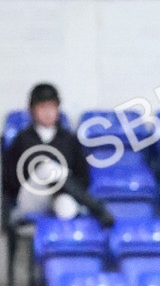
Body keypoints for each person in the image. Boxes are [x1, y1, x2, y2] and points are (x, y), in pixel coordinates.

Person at [2, 83, 115, 227]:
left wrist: (61, 186)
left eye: (51, 107)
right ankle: (97, 207)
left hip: (59, 195)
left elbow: (83, 177)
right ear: (32, 110)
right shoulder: (22, 139)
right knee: (48, 168)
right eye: (42, 107)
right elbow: (9, 181)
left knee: (67, 207)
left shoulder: (69, 139)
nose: (48, 112)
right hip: (33, 197)